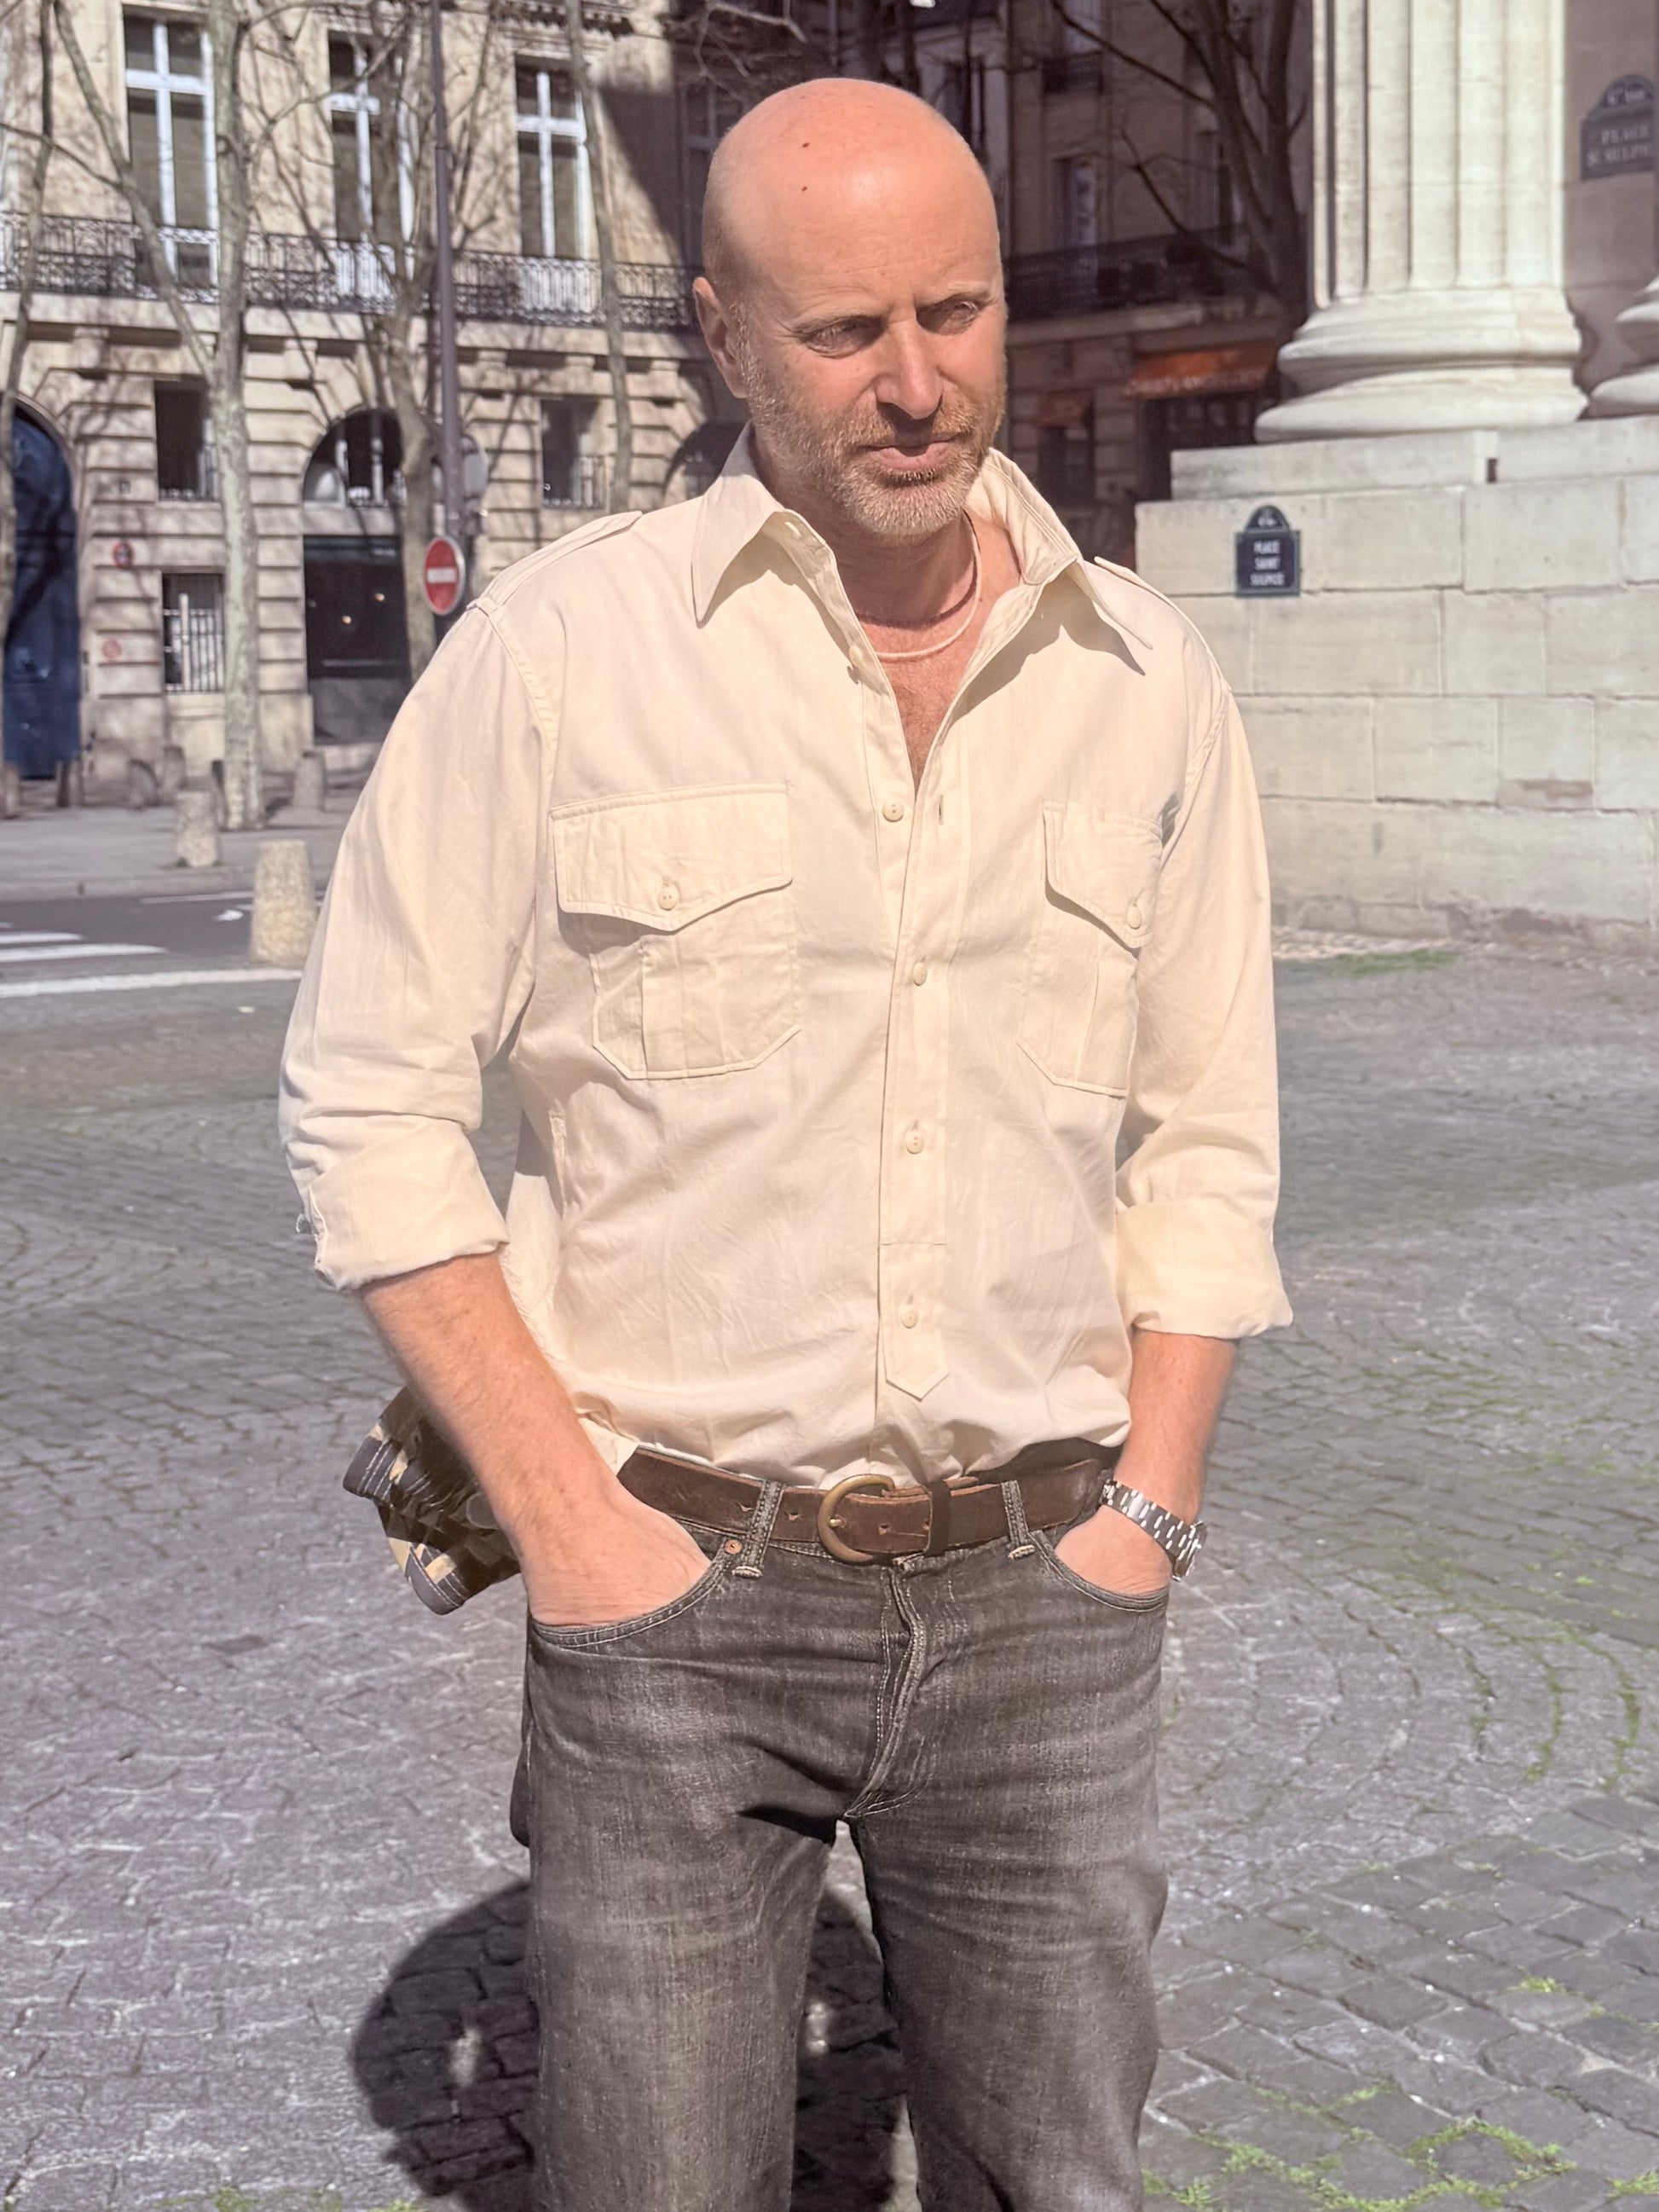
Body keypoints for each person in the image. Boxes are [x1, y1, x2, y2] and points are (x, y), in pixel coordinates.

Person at [280, 78, 1289, 2212]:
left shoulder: (1147, 679)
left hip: (1043, 1596)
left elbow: (1208, 1134)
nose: (916, 384)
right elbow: (366, 1099)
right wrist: (572, 1527)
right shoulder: (563, 656)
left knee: (1056, 2183)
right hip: (676, 1597)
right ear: (723, 335)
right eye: (844, 332)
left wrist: (1154, 1508)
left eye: (955, 310)